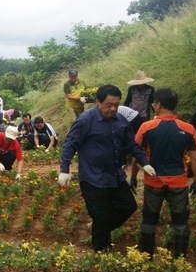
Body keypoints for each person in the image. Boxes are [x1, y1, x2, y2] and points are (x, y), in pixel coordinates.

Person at [58, 84, 152, 252]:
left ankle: (98, 230)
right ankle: (101, 250)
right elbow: (70, 144)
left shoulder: (121, 120)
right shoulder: (86, 120)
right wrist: (64, 170)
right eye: (109, 104)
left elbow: (131, 144)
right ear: (98, 102)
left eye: (116, 104)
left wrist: (144, 162)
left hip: (115, 175)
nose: (113, 108)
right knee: (100, 214)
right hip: (92, 177)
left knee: (128, 206)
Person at [131, 88, 196, 258]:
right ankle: (180, 258)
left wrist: (132, 177)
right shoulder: (189, 128)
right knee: (181, 221)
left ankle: (146, 256)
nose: (153, 105)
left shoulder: (146, 127)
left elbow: (136, 156)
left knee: (149, 219)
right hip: (178, 183)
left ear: (158, 105)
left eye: (154, 102)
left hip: (153, 182)